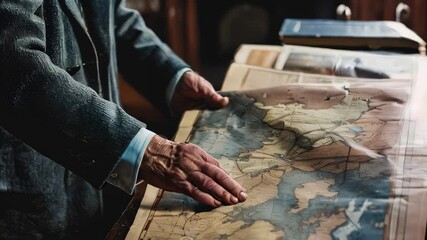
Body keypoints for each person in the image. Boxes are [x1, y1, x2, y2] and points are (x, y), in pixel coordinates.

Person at [0, 0, 247, 239]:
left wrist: (169, 76)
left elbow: (112, 15)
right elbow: (15, 62)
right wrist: (141, 149)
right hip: (28, 186)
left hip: (96, 180)